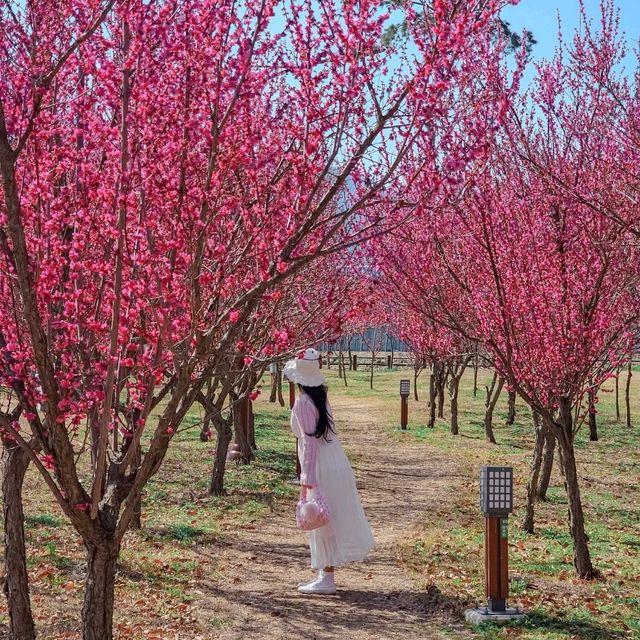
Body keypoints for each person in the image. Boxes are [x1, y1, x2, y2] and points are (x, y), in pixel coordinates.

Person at [284, 348, 375, 595]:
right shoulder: (320, 397)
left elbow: (309, 442)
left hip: (321, 466)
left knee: (319, 520)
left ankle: (326, 578)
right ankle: (326, 575)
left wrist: (307, 478)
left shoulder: (304, 402)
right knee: (327, 519)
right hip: (335, 460)